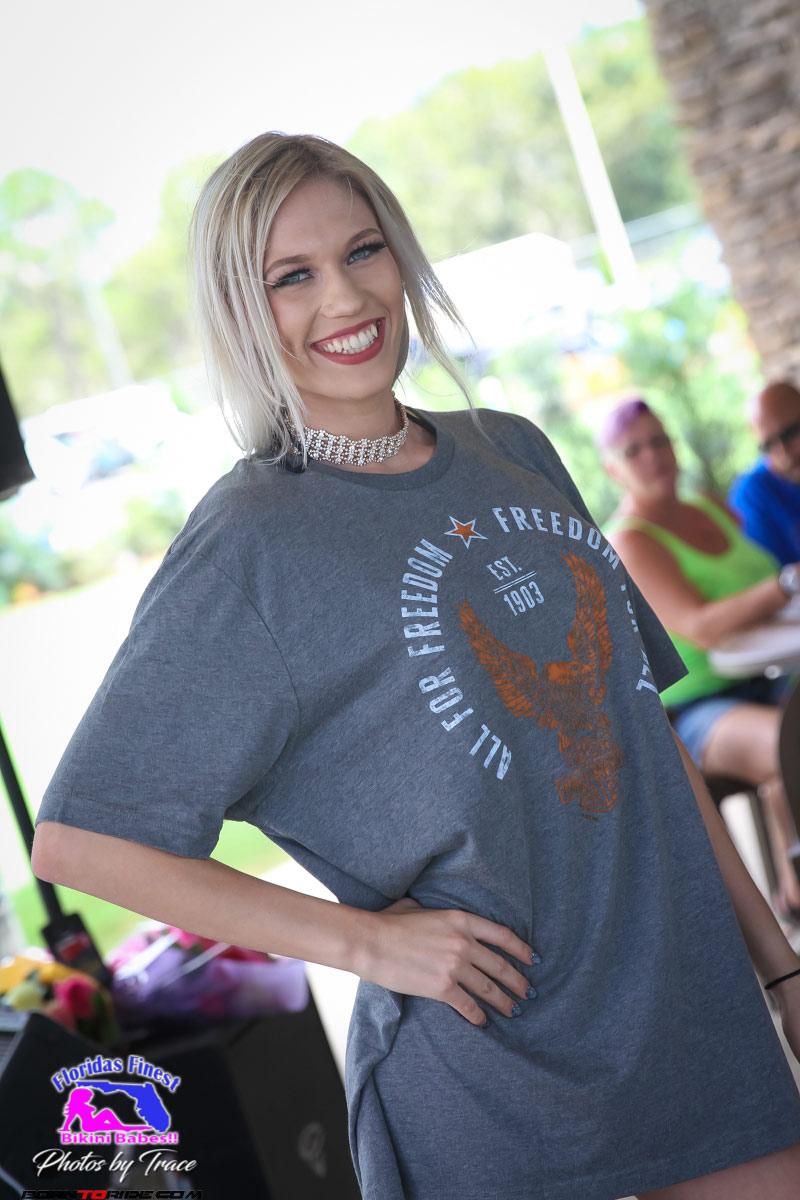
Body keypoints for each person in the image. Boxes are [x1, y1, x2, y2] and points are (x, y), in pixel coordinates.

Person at [32, 133, 800, 1200]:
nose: (345, 297)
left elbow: (644, 737)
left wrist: (777, 964)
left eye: (363, 251)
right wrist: (363, 945)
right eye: (291, 276)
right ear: (241, 309)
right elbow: (83, 840)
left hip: (686, 1010)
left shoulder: (513, 448)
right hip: (492, 1073)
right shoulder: (253, 541)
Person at [599, 397, 800, 924]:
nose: (653, 456)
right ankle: (794, 890)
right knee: (792, 742)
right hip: (699, 708)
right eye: (634, 450)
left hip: (773, 673)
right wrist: (785, 584)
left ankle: (789, 862)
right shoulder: (630, 540)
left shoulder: (709, 505)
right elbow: (700, 626)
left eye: (659, 440)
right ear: (612, 470)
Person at [729, 379, 800, 566]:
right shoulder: (752, 496)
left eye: (790, 434)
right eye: (768, 445)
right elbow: (773, 577)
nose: (784, 453)